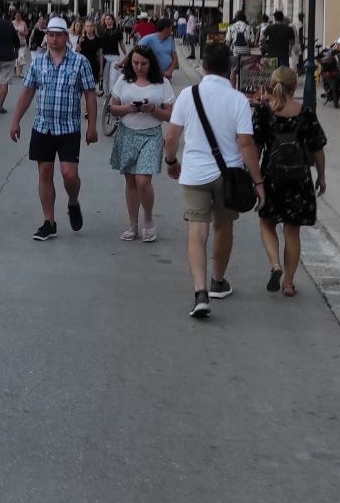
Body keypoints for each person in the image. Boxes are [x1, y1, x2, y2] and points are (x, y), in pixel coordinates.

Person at [163, 42, 264, 318]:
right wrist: (258, 182)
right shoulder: (239, 100)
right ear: (230, 68)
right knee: (223, 226)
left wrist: (171, 162)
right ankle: (218, 280)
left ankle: (199, 292)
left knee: (197, 229)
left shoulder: (187, 95)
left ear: (204, 66)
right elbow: (246, 144)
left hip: (194, 173)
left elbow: (172, 137)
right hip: (228, 174)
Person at [9, 16, 99, 241]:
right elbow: (28, 92)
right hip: (43, 127)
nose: (53, 38)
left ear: (65, 37)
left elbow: (89, 94)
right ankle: (49, 222)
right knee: (44, 172)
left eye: (58, 34)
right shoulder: (38, 62)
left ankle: (73, 201)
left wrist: (92, 126)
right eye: (50, 34)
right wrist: (15, 120)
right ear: (46, 36)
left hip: (68, 127)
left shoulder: (79, 62)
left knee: (69, 174)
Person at [252, 66, 328, 297]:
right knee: (292, 231)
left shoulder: (264, 113)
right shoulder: (305, 113)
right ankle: (288, 282)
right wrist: (321, 177)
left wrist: (254, 178)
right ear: (294, 86)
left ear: (271, 85)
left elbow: (254, 147)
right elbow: (318, 149)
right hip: (299, 178)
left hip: (271, 177)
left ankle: (275, 263)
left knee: (267, 223)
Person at [107, 44, 173, 243]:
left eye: (143, 63)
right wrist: (128, 108)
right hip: (127, 133)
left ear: (150, 63)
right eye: (135, 62)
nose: (139, 67)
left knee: (143, 180)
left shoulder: (161, 83)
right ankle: (133, 225)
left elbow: (170, 114)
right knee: (130, 181)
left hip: (151, 134)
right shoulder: (123, 81)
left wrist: (152, 109)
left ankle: (149, 219)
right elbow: (113, 108)